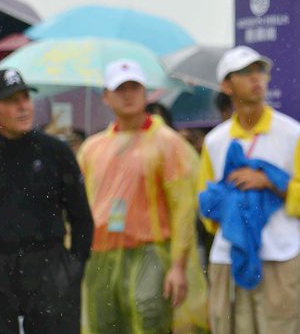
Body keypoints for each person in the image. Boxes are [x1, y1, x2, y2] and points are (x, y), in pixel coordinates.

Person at [198, 46, 300, 334]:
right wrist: (236, 216)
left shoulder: (293, 134)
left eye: (260, 71)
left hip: (280, 256)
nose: (257, 78)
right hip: (229, 257)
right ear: (226, 85)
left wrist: (271, 183)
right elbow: (206, 207)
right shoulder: (214, 141)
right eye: (245, 73)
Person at [77, 59, 207, 334]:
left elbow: (182, 208)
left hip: (150, 251)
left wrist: (178, 266)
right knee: (104, 324)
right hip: (101, 252)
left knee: (149, 319)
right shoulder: (92, 148)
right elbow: (79, 207)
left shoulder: (167, 143)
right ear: (106, 96)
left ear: (145, 93)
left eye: (134, 87)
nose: (128, 95)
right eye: (120, 88)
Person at [0, 68, 93, 333]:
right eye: (11, 101)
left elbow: (81, 216)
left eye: (25, 98)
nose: (23, 107)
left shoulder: (56, 152)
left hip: (49, 263)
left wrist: (74, 266)